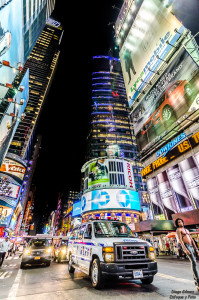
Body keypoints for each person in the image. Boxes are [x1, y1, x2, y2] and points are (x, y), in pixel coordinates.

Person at [175, 218, 199, 291]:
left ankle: (197, 283)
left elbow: (191, 240)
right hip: (186, 246)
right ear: (177, 224)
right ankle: (197, 282)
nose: (180, 223)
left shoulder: (186, 230)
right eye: (178, 222)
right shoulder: (178, 230)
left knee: (194, 262)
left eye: (181, 221)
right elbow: (180, 241)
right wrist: (185, 249)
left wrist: (196, 249)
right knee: (193, 262)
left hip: (191, 246)